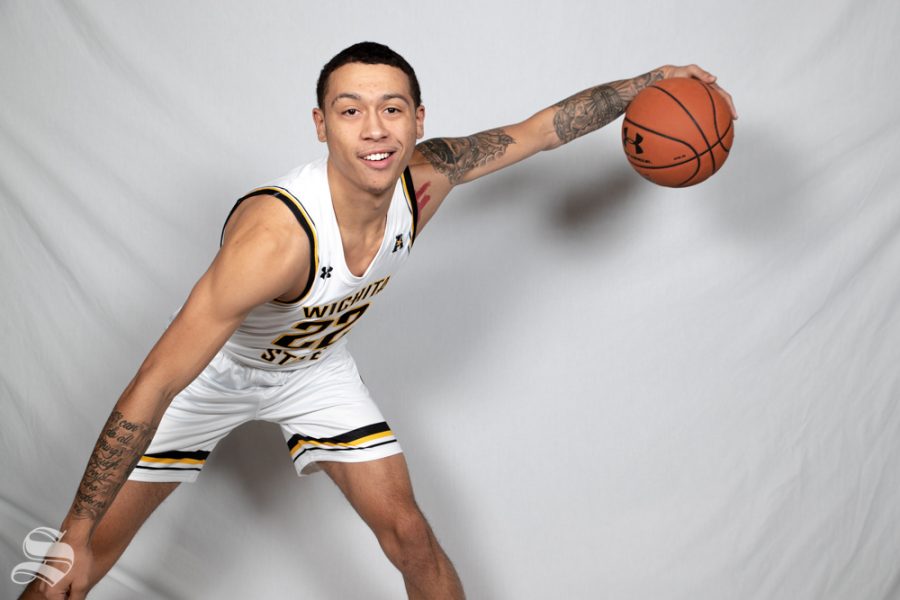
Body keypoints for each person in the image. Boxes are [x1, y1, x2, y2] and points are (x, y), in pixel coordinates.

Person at [22, 42, 736, 600]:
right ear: (320, 123)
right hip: (214, 376)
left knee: (411, 538)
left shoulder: (427, 178)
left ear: (418, 121)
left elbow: (537, 133)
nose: (374, 129)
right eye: (351, 109)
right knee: (78, 561)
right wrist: (78, 528)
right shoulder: (277, 241)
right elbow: (154, 380)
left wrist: (644, 84)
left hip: (314, 373)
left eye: (393, 109)